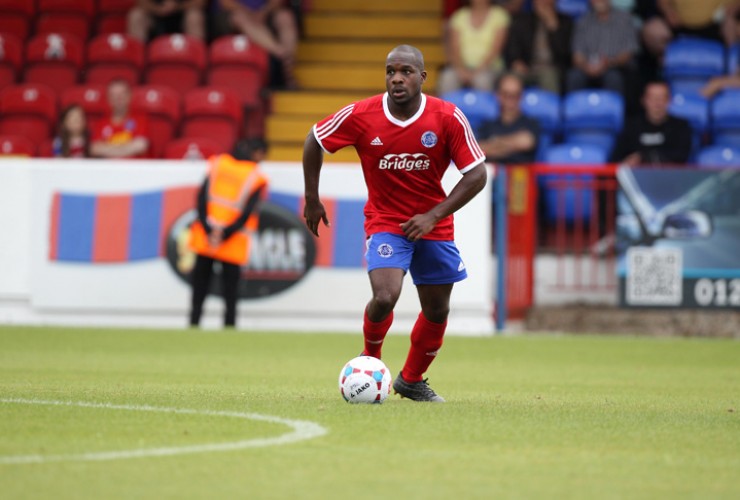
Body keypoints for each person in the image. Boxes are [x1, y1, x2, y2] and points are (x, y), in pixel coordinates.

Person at [302, 45, 487, 403]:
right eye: (390, 71)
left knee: (437, 309)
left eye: (405, 71)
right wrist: (312, 197)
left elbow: (476, 174)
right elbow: (315, 140)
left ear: (422, 76)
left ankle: (411, 380)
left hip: (434, 224)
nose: (397, 78)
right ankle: (369, 360)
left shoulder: (447, 117)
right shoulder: (362, 114)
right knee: (385, 296)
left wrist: (434, 215)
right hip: (386, 221)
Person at [188, 153, 268, 328]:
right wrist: (225, 233)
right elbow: (248, 211)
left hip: (206, 235)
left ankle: (193, 323)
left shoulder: (217, 165)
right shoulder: (254, 175)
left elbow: (201, 199)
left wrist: (209, 229)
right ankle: (230, 325)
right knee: (230, 288)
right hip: (233, 238)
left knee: (200, 284)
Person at [214, 0, 299, 89]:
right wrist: (250, 14)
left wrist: (263, 12)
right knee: (240, 17)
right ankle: (282, 55)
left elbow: (277, 2)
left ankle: (287, 68)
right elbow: (226, 3)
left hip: (263, 14)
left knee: (285, 17)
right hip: (231, 15)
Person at [565, 0, 639, 98]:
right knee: (574, 77)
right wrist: (586, 66)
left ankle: (615, 111)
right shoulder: (583, 20)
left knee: (613, 78)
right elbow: (577, 54)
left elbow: (629, 52)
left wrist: (608, 63)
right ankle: (573, 112)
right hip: (587, 66)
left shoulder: (624, 19)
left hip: (615, 66)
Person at [438, 0, 511, 95]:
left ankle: (484, 110)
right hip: (460, 67)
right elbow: (454, 49)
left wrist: (476, 72)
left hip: (490, 67)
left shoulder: (499, 15)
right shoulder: (459, 16)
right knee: (447, 78)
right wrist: (462, 70)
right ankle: (446, 110)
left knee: (483, 80)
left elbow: (496, 50)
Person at [611, 80, 692, 165]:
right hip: (636, 177)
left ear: (669, 101)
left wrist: (644, 158)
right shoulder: (631, 127)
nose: (657, 103)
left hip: (670, 177)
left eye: (662, 98)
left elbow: (681, 157)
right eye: (652, 98)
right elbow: (616, 158)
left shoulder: (681, 127)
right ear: (643, 100)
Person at [505, 0, 573, 94]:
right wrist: (516, 61)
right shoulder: (522, 21)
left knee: (549, 76)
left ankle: (550, 108)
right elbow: (513, 48)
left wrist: (552, 25)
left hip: (552, 69)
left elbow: (566, 55)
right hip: (527, 68)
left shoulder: (565, 22)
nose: (542, 2)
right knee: (511, 78)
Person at [641, 0, 740, 63]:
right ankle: (664, 64)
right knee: (652, 30)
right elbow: (662, 2)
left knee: (732, 25)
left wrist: (733, 8)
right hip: (679, 24)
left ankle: (731, 66)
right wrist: (669, 12)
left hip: (717, 24)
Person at [478, 72, 540, 164]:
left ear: (521, 96)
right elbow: (479, 150)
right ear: (498, 95)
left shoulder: (531, 123)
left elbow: (527, 142)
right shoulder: (487, 125)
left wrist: (494, 142)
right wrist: (514, 144)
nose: (510, 100)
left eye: (515, 95)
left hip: (522, 176)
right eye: (506, 94)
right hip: (493, 176)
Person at [90, 80, 150, 159]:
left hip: (136, 170)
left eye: (122, 94)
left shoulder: (141, 119)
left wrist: (107, 148)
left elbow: (141, 146)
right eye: (113, 95)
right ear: (108, 99)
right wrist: (129, 148)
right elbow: (95, 149)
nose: (118, 98)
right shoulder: (100, 123)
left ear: (130, 96)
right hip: (109, 170)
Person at [127, 0, 207, 42]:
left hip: (183, 15)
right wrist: (158, 9)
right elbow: (141, 2)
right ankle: (137, 57)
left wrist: (177, 7)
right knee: (136, 15)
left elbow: (200, 2)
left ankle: (196, 57)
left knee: (194, 16)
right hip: (156, 16)